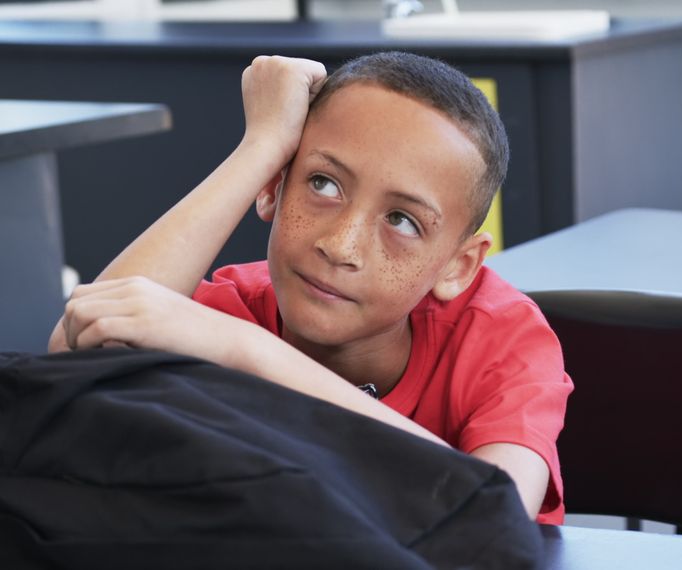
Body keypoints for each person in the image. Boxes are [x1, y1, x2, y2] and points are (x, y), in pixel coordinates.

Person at [47, 52, 573, 524]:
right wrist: (261, 145)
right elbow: (75, 348)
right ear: (275, 185)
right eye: (323, 184)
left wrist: (249, 352)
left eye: (403, 221)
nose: (340, 246)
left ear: (458, 267)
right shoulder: (235, 305)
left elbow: (496, 515)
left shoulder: (503, 338)